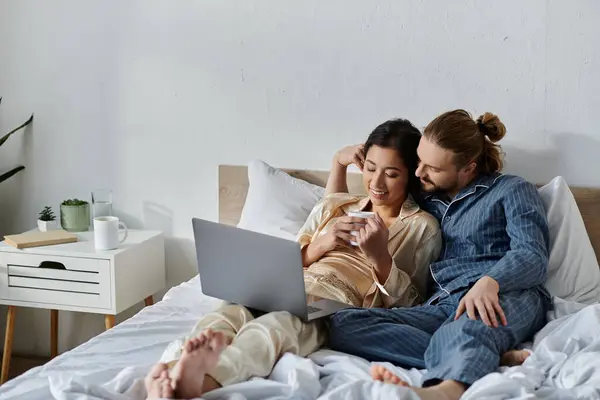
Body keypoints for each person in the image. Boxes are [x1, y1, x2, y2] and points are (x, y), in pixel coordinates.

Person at [144, 118, 442, 400]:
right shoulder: (336, 206)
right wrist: (322, 244)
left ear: (410, 176)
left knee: (274, 329)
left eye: (391, 174)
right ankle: (171, 373)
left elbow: (412, 304)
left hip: (335, 303)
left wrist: (380, 258)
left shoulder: (421, 226)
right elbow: (290, 259)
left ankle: (202, 380)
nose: (376, 182)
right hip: (288, 285)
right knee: (226, 313)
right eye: (371, 169)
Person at [327, 110, 551, 400]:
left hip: (506, 294)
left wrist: (489, 281)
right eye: (419, 161)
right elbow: (341, 206)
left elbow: (533, 255)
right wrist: (340, 162)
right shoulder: (426, 198)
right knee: (342, 323)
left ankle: (442, 392)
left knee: (466, 327)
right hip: (444, 304)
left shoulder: (512, 190)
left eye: (432, 168)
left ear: (468, 168)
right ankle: (485, 353)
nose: (419, 172)